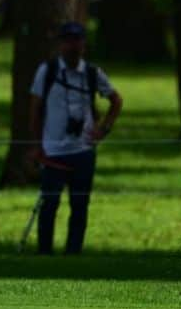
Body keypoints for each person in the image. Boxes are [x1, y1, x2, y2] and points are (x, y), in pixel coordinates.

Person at [29, 22, 122, 255]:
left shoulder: (92, 74)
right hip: (53, 151)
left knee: (79, 206)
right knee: (49, 204)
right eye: (68, 40)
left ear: (84, 44)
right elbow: (35, 109)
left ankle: (73, 252)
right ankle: (44, 252)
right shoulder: (47, 71)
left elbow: (116, 100)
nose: (73, 46)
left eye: (77, 40)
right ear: (61, 44)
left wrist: (103, 129)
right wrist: (35, 145)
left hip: (83, 151)